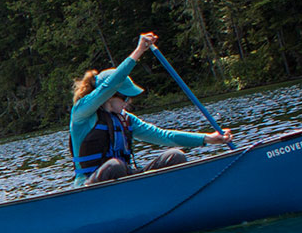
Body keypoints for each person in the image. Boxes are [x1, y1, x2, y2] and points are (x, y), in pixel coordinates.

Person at [71, 32, 231, 184]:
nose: (128, 102)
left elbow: (164, 136)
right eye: (125, 97)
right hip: (91, 184)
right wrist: (139, 50)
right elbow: (109, 85)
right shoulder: (82, 114)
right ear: (109, 96)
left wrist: (207, 138)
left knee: (175, 156)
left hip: (124, 179)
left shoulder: (126, 119)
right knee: (115, 166)